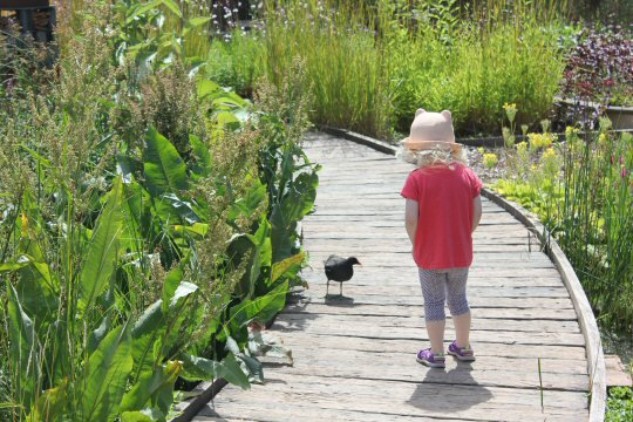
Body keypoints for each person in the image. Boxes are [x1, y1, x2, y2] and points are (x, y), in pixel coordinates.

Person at [399, 109, 483, 369]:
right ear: (452, 147)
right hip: (460, 252)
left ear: (415, 150)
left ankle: (436, 354)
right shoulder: (467, 175)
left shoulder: (417, 179)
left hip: (429, 256)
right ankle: (463, 346)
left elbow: (411, 218)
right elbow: (477, 210)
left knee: (434, 302)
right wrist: (466, 233)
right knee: (459, 299)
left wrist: (416, 242)